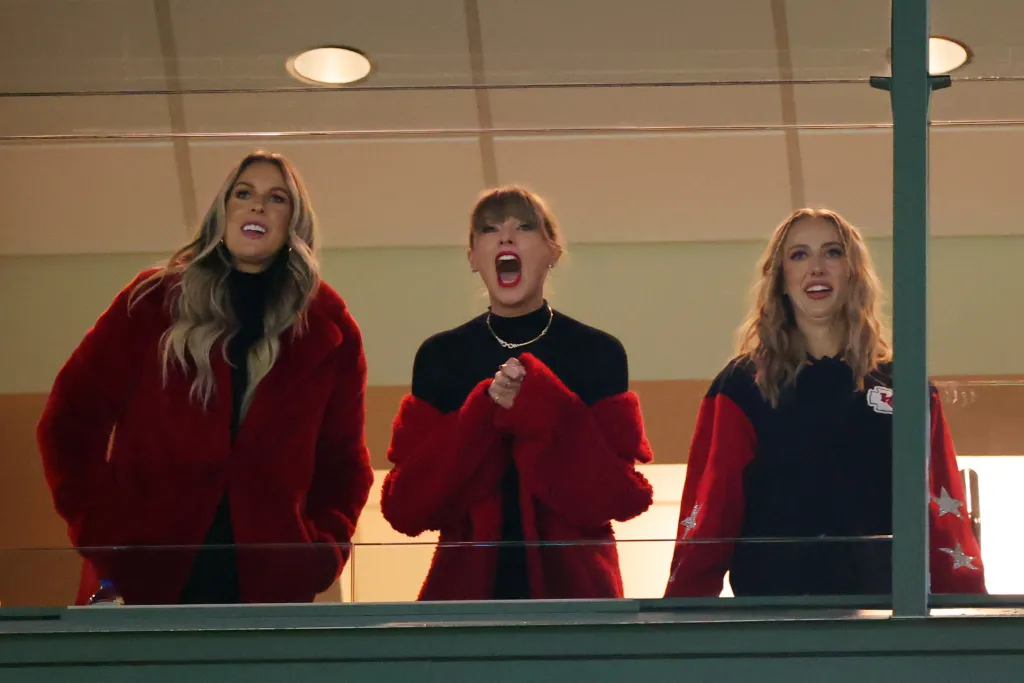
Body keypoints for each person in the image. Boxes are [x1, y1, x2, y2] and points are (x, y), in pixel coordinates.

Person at [37, 150, 373, 605]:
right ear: (223, 212)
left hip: (267, 591)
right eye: (243, 193)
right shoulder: (152, 302)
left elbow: (344, 465)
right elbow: (68, 422)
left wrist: (317, 552)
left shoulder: (330, 331)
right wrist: (107, 539)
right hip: (145, 581)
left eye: (277, 199)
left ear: (294, 223)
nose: (257, 206)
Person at [663, 208, 986, 598]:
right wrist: (681, 620)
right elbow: (709, 517)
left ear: (853, 273)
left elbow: (941, 514)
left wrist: (968, 619)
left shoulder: (906, 386)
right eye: (799, 255)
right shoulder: (743, 386)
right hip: (777, 624)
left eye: (832, 253)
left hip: (887, 617)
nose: (816, 268)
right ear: (780, 278)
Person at [380, 186, 654, 601]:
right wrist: (483, 411)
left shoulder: (598, 353)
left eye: (523, 226)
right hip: (465, 612)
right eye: (489, 229)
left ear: (552, 251)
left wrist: (541, 403)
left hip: (578, 611)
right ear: (473, 257)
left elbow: (616, 497)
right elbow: (407, 507)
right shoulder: (440, 356)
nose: (506, 237)